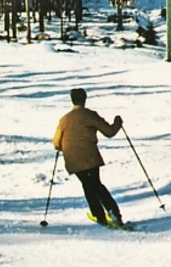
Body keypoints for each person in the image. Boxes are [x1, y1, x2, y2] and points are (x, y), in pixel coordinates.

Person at [52, 87, 127, 227]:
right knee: (96, 185)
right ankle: (114, 214)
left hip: (72, 160)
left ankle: (99, 215)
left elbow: (56, 144)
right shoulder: (89, 115)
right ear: (84, 99)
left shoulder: (64, 119)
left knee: (88, 185)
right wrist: (118, 123)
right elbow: (109, 132)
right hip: (90, 158)